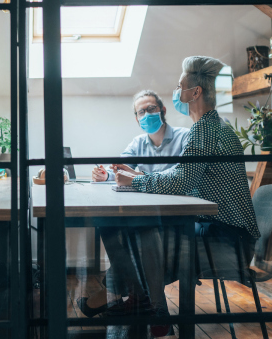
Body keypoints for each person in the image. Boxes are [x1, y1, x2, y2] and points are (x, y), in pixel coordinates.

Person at [100, 56, 259, 337]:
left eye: (179, 86)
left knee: (141, 232)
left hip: (227, 241)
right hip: (221, 231)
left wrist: (136, 182)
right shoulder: (212, 126)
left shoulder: (204, 129)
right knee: (130, 231)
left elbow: (180, 181)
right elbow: (181, 176)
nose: (177, 92)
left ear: (195, 92)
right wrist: (136, 178)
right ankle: (146, 303)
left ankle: (148, 306)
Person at [79, 90, 189, 317]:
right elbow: (120, 169)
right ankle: (141, 297)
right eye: (141, 112)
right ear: (137, 119)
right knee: (107, 223)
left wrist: (136, 177)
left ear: (163, 110)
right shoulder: (138, 142)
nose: (147, 114)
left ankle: (119, 293)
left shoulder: (183, 137)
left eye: (151, 109)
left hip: (174, 215)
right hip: (147, 211)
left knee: (137, 229)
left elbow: (179, 177)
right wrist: (105, 176)